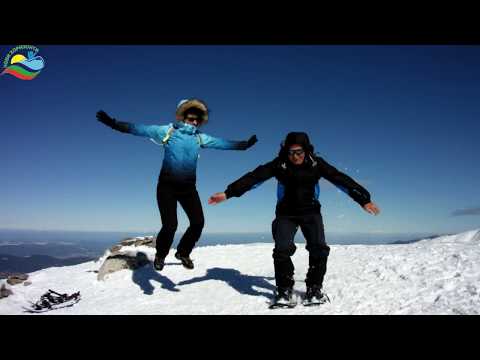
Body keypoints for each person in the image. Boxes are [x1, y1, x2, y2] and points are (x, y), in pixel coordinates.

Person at [208, 132, 380, 308]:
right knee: (282, 250)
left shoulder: (316, 164)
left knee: (319, 249)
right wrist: (228, 193)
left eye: (298, 152)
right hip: (286, 213)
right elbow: (254, 178)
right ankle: (285, 290)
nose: (295, 157)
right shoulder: (279, 165)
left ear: (306, 150)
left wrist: (363, 199)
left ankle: (314, 288)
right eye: (290, 153)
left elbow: (340, 179)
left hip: (311, 212)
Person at [97, 99, 257, 271]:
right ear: (183, 117)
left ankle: (183, 252)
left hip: (188, 188)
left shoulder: (200, 138)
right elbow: (138, 129)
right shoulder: (167, 131)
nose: (194, 122)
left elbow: (223, 143)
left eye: (198, 119)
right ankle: (160, 255)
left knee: (198, 222)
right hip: (167, 187)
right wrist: (112, 123)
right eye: (191, 118)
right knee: (170, 225)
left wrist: (244, 145)